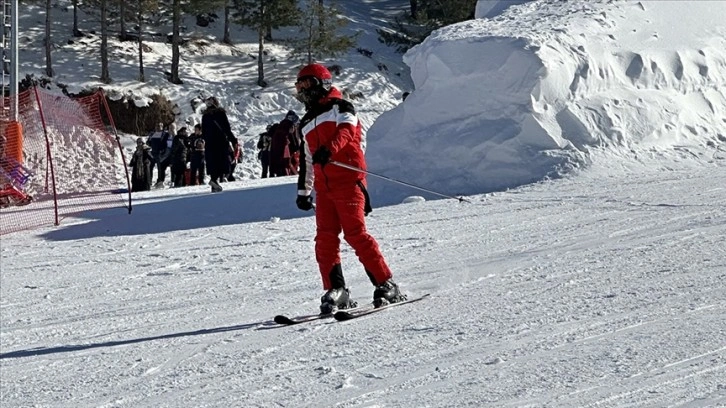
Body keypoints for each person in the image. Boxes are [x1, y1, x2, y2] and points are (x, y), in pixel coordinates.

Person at [294, 63, 406, 314]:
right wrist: (304, 191)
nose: (304, 90)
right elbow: (308, 160)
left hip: (348, 181)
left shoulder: (341, 107)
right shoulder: (305, 122)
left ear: (322, 82)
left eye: (308, 84)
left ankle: (386, 283)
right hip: (325, 189)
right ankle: (336, 290)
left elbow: (347, 131)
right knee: (324, 239)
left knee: (355, 234)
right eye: (300, 86)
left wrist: (330, 149)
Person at [201, 97, 237, 192]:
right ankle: (214, 180)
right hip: (220, 142)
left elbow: (203, 132)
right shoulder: (220, 113)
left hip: (209, 143)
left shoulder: (205, 116)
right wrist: (233, 139)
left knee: (213, 163)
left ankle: (214, 184)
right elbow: (226, 128)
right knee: (222, 162)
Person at [146, 122, 172, 188]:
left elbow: (167, 143)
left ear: (162, 127)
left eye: (160, 126)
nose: (158, 127)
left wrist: (164, 151)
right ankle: (149, 182)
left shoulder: (165, 134)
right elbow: (148, 142)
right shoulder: (152, 134)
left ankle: (160, 182)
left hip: (160, 153)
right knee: (149, 167)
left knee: (160, 168)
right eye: (157, 126)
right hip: (153, 153)